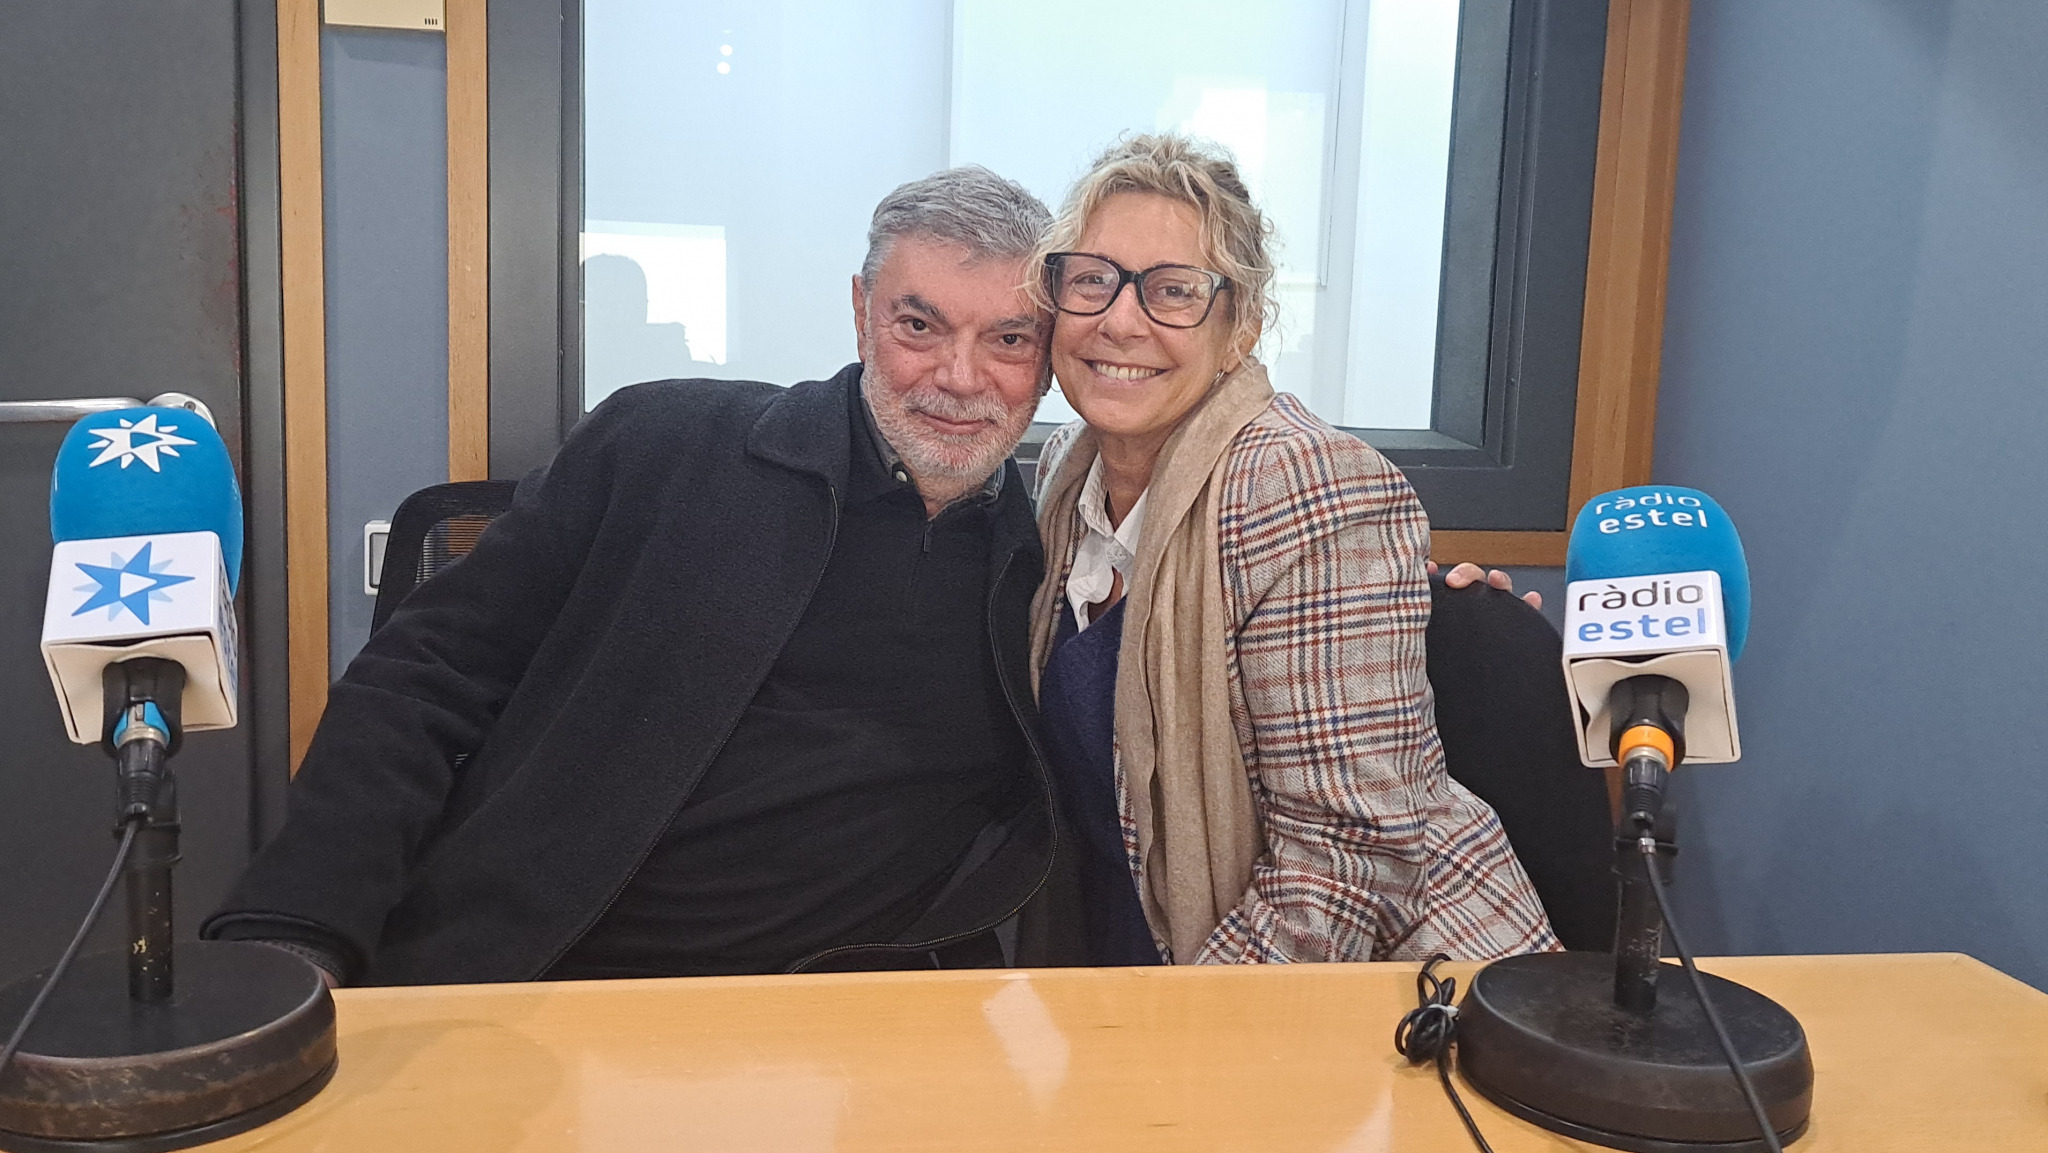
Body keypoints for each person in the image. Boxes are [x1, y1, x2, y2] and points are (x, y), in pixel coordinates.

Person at [202, 167, 1067, 985]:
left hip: (846, 1020)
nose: (960, 378)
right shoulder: (663, 446)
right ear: (860, 312)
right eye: (919, 326)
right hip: (550, 976)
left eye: (1009, 339)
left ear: (1050, 355)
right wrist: (298, 925)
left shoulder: (1049, 561)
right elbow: (422, 678)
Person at [1023, 134, 1558, 965]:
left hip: (1379, 988)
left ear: (1240, 328)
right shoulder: (1068, 469)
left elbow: (1343, 868)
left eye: (1174, 291)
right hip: (1138, 959)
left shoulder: (1306, 484)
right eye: (1092, 279)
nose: (1120, 320)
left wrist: (1178, 1031)